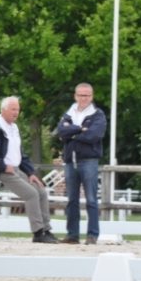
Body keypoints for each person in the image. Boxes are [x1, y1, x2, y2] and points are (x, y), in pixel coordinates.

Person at [0, 96, 58, 243]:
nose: (16, 113)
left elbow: (21, 154)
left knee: (41, 191)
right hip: (4, 171)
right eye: (13, 109)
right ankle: (38, 233)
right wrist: (2, 166)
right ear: (3, 110)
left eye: (18, 110)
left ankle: (46, 229)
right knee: (31, 194)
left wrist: (30, 173)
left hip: (16, 169)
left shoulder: (14, 128)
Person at [54, 82, 108, 245]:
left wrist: (72, 132)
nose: (83, 98)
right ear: (75, 96)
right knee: (72, 200)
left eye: (87, 95)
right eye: (80, 95)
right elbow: (61, 132)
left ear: (91, 96)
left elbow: (94, 136)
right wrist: (81, 129)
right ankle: (72, 235)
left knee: (91, 199)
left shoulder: (98, 115)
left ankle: (92, 235)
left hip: (89, 161)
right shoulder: (68, 113)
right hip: (71, 161)